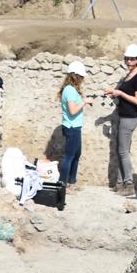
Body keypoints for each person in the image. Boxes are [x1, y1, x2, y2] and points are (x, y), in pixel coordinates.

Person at [104, 43, 137, 195]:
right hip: (123, 116)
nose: (128, 61)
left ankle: (129, 185)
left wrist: (120, 93)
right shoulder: (128, 75)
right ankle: (120, 184)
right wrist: (114, 93)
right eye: (127, 58)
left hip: (129, 118)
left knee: (123, 152)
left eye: (132, 59)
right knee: (121, 151)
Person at [58, 61, 86, 191]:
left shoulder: (71, 89)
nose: (83, 80)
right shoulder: (69, 90)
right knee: (69, 156)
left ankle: (71, 182)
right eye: (81, 77)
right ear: (76, 76)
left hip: (75, 126)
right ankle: (63, 184)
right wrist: (85, 102)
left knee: (76, 154)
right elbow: (72, 110)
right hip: (71, 127)